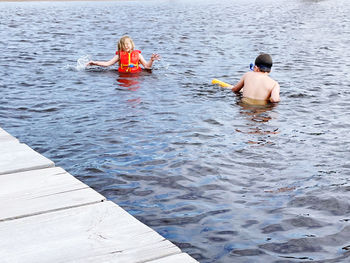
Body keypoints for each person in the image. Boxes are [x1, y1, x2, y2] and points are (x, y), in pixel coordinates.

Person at [87, 35, 160, 73]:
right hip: (122, 74)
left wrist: (151, 60)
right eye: (124, 45)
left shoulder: (138, 54)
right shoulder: (119, 55)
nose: (126, 46)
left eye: (128, 44)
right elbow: (107, 64)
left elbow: (147, 66)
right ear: (121, 47)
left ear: (132, 44)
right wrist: (94, 63)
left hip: (136, 75)